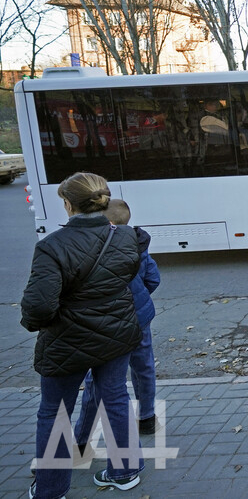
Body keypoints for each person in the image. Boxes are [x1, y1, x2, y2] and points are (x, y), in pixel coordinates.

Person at [21, 172, 144, 497]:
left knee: (55, 413)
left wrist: (35, 322)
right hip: (117, 333)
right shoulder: (125, 236)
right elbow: (126, 274)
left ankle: (50, 490)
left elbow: (39, 306)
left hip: (67, 341)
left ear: (68, 204)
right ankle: (125, 471)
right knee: (115, 397)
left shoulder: (52, 246)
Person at [74, 199, 161, 459]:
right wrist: (139, 298)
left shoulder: (95, 246)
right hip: (139, 317)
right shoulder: (137, 243)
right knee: (143, 366)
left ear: (108, 222)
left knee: (99, 379)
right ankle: (147, 416)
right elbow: (153, 278)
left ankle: (81, 441)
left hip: (108, 322)